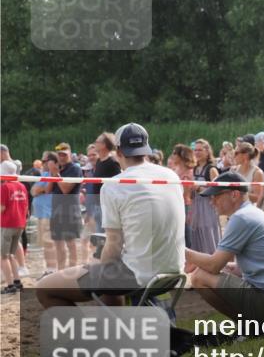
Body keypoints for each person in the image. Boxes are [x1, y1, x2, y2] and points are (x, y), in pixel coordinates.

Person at [37, 123, 185, 309]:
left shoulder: (114, 185)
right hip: (173, 272)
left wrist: (98, 267)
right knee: (107, 267)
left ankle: (81, 337)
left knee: (44, 288)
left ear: (118, 151)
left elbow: (113, 247)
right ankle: (116, 330)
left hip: (139, 276)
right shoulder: (171, 175)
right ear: (146, 149)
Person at [185, 171, 264, 325]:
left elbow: (213, 265)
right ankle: (251, 326)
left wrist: (180, 250)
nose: (211, 201)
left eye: (216, 195)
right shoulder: (250, 213)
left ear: (234, 195)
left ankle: (247, 327)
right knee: (215, 270)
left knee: (199, 277)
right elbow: (242, 267)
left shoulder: (241, 218)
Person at [48, 143, 83, 270]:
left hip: (70, 210)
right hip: (57, 209)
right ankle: (61, 270)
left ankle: (73, 270)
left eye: (64, 155)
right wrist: (53, 174)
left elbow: (66, 189)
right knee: (58, 243)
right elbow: (48, 190)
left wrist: (56, 174)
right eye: (60, 155)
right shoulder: (59, 169)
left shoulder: (75, 168)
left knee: (71, 243)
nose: (62, 157)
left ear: (70, 155)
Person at [0, 162, 28, 294]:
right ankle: (17, 282)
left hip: (7, 224)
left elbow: (2, 208)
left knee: (3, 256)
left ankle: (10, 285)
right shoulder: (22, 186)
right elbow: (26, 207)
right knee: (11, 255)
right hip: (20, 224)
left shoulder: (4, 187)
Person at [190, 139, 222, 254]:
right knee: (195, 234)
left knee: (208, 233)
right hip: (195, 207)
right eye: (195, 150)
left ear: (207, 152)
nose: (197, 152)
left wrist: (199, 188)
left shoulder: (211, 169)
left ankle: (213, 261)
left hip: (208, 207)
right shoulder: (193, 169)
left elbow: (218, 191)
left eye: (200, 150)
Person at [30, 151, 58, 276]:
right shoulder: (44, 174)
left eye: (45, 161)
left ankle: (51, 269)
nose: (43, 163)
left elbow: (45, 189)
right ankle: (49, 269)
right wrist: (38, 190)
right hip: (42, 213)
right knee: (45, 243)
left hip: (48, 213)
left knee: (48, 242)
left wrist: (38, 190)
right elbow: (33, 191)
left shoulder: (51, 174)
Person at [231, 141, 264, 208]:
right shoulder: (233, 170)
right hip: (234, 209)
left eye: (236, 153)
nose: (234, 156)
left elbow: (257, 197)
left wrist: (239, 193)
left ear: (245, 155)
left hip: (249, 210)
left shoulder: (257, 173)